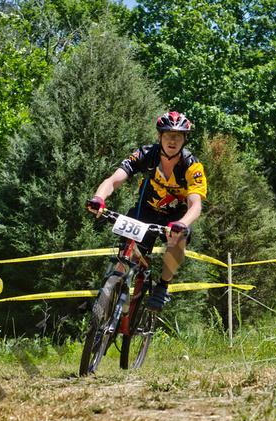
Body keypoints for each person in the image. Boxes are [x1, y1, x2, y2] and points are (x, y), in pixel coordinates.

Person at [86, 111, 207, 310]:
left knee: (179, 238)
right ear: (160, 137)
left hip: (175, 218)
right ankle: (112, 296)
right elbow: (114, 179)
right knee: (125, 255)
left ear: (185, 139)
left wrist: (183, 224)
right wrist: (99, 198)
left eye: (178, 136)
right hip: (146, 211)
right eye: (168, 134)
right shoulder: (146, 154)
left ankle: (163, 286)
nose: (173, 140)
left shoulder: (191, 166)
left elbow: (196, 205)